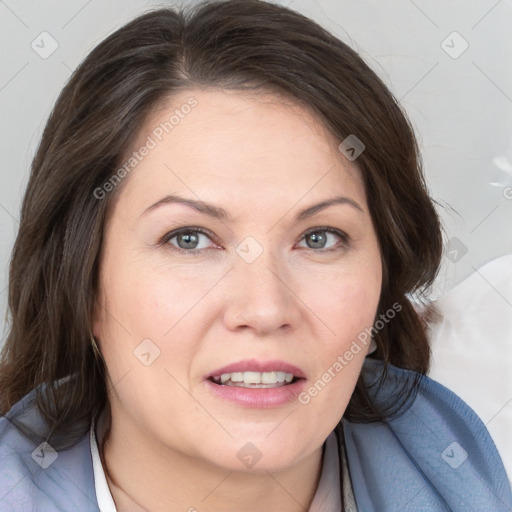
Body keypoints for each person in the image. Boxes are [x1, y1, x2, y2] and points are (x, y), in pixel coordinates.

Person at [0, 1, 510, 510]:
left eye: (319, 238)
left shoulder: (482, 460)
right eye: (190, 239)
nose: (265, 309)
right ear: (82, 283)